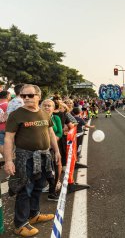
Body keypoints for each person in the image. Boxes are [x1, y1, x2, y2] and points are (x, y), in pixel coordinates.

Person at [4, 84, 61, 237]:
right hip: (25, 158)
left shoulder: (43, 113)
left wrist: (56, 151)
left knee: (38, 186)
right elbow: (8, 138)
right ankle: (20, 224)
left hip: (44, 156)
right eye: (23, 96)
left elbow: (50, 132)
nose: (26, 98)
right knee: (25, 190)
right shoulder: (16, 114)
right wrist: (8, 161)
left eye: (30, 95)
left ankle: (34, 214)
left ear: (39, 96)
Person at [41, 99, 63, 201]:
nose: (46, 107)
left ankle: (52, 190)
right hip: (39, 149)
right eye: (44, 105)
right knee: (44, 171)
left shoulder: (56, 118)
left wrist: (53, 142)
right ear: (40, 107)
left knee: (55, 168)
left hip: (53, 148)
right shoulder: (37, 118)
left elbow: (59, 132)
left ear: (53, 108)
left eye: (49, 106)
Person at [0, 90, 11, 155]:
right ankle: (9, 159)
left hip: (0, 128)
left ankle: (5, 159)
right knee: (10, 144)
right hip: (9, 128)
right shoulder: (9, 105)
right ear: (7, 96)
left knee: (1, 144)